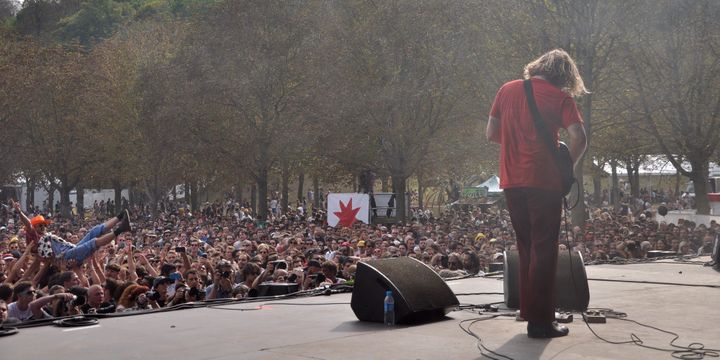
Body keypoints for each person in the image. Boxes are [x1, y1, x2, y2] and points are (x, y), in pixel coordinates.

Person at [486, 49, 587, 339]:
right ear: (565, 76)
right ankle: (541, 322)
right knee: (544, 250)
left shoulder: (506, 90)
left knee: (527, 246)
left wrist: (517, 140)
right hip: (543, 182)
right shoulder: (561, 97)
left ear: (537, 67)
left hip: (512, 180)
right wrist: (568, 164)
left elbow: (491, 132)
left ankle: (529, 311)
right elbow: (578, 136)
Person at [10, 200, 131, 264]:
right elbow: (28, 224)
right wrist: (19, 212)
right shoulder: (33, 235)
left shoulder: (46, 235)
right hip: (63, 258)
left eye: (43, 224)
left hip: (70, 249)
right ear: (34, 227)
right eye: (39, 225)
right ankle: (121, 229)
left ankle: (120, 216)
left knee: (93, 231)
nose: (42, 226)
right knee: (93, 241)